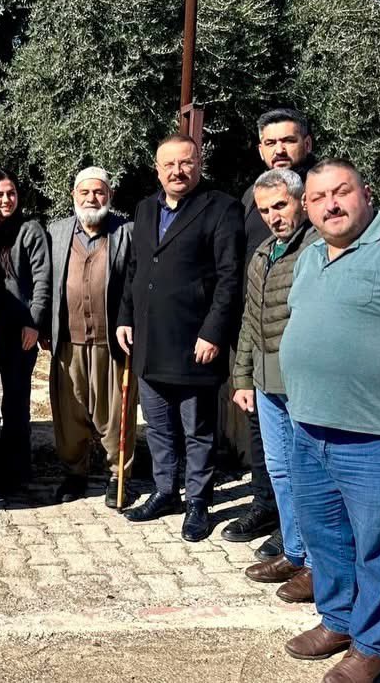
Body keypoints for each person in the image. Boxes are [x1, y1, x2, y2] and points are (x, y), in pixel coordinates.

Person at [280, 159, 380, 683]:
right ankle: (336, 620)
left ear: (367, 193)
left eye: (342, 192)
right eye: (319, 198)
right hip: (309, 427)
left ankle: (373, 644)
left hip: (376, 435)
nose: (331, 204)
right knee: (324, 533)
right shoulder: (311, 256)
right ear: (307, 208)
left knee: (377, 543)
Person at [116, 135, 244, 541]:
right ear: (157, 168)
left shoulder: (221, 208)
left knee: (197, 429)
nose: (177, 171)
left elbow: (229, 278)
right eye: (168, 164)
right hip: (150, 342)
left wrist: (213, 332)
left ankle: (198, 502)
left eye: (185, 163)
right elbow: (135, 269)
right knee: (157, 426)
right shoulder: (145, 207)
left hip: (195, 344)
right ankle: (166, 490)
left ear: (198, 163)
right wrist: (125, 316)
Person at [224, 108, 318, 555]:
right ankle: (268, 506)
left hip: (303, 353)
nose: (280, 149)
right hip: (259, 339)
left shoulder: (323, 196)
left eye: (288, 139)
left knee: (303, 454)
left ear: (307, 143)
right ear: (260, 150)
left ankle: (298, 535)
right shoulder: (250, 197)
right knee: (267, 443)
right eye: (270, 142)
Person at [46, 167, 137, 508]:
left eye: (99, 192)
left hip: (111, 341)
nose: (91, 199)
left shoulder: (125, 232)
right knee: (70, 415)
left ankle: (119, 476)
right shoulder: (56, 233)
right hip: (68, 341)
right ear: (73, 196)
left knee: (116, 413)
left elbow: (134, 281)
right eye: (84, 192)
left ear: (109, 196)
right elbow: (44, 283)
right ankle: (75, 474)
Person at [0, 168, 50, 493]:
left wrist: (34, 322)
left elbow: (43, 279)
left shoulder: (31, 230)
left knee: (16, 403)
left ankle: (17, 470)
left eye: (11, 193)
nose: (5, 200)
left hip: (20, 331)